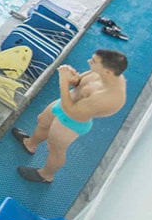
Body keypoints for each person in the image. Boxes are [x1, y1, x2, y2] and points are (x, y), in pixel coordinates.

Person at [13, 49, 128, 183]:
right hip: (66, 102)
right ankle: (30, 144)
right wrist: (73, 79)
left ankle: (46, 175)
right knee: (42, 121)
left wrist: (63, 81)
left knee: (54, 149)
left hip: (72, 121)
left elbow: (71, 111)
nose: (89, 62)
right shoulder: (102, 73)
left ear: (108, 71)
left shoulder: (108, 97)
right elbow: (80, 84)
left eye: (93, 61)